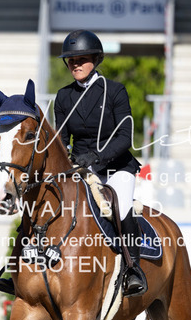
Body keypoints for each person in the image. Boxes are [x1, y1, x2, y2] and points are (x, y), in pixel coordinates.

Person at [54, 29, 147, 297]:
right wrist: (66, 161)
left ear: (95, 60)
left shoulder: (115, 91)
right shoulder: (63, 96)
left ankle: (133, 269)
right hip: (81, 169)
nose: (75, 65)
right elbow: (61, 140)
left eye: (81, 60)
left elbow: (125, 136)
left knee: (121, 207)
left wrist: (96, 157)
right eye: (71, 61)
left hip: (116, 166)